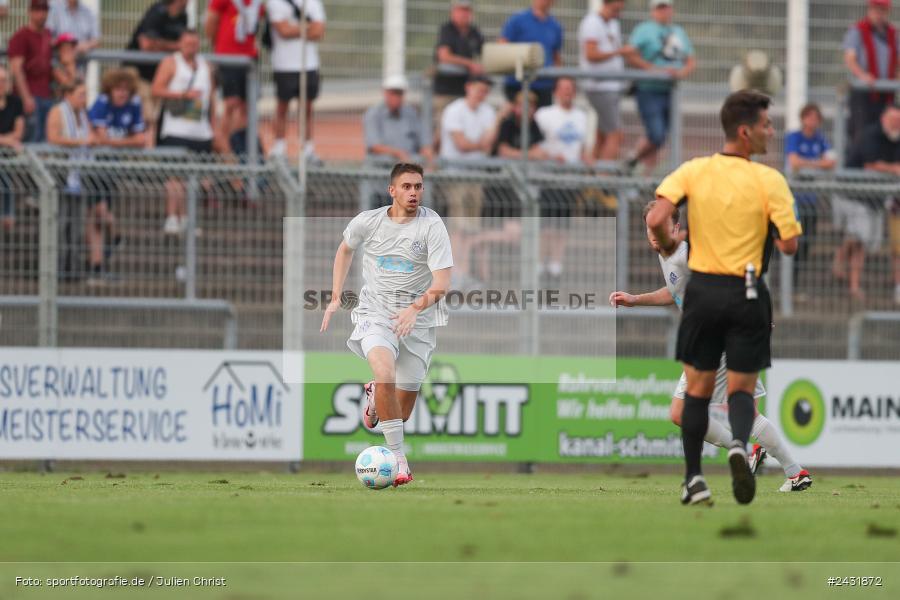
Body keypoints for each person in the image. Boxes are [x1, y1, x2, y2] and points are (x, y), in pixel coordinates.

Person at [645, 90, 802, 505]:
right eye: (768, 124)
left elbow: (659, 218)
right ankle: (739, 444)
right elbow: (789, 245)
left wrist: (664, 241)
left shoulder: (694, 171)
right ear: (746, 131)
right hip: (748, 291)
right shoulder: (770, 181)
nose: (772, 130)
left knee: (694, 394)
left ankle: (695, 479)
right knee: (740, 393)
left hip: (704, 293)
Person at [610, 201, 813, 494]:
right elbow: (674, 291)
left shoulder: (685, 253)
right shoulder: (669, 255)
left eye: (660, 227)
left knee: (682, 412)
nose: (654, 234)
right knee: (746, 410)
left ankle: (741, 453)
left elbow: (732, 269)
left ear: (676, 228)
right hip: (731, 331)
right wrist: (634, 299)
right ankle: (794, 472)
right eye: (649, 229)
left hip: (714, 335)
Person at [320, 162, 453, 488]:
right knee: (385, 374)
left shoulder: (432, 225)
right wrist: (336, 295)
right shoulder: (369, 221)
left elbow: (442, 283)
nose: (413, 193)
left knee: (401, 412)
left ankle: (374, 397)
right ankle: (399, 461)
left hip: (418, 321)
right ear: (392, 190)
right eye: (406, 187)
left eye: (418, 187)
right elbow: (344, 249)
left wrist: (413, 308)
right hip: (375, 313)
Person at [152, 29, 218, 235]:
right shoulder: (171, 63)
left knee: (193, 178)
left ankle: (188, 219)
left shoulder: (205, 65)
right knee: (174, 177)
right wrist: (182, 94)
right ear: (180, 43)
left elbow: (212, 99)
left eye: (195, 44)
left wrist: (214, 126)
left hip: (200, 131)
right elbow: (156, 89)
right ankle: (172, 217)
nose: (192, 47)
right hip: (176, 129)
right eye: (188, 43)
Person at [86, 68, 146, 276]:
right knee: (99, 212)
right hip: (93, 166)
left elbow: (141, 139)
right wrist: (125, 142)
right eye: (118, 89)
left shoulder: (135, 104)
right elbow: (102, 138)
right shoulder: (102, 103)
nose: (122, 94)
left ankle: (97, 264)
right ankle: (117, 235)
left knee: (97, 217)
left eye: (125, 90)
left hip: (112, 166)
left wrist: (116, 143)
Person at [440, 74, 497, 288]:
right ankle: (455, 274)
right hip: (457, 175)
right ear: (468, 88)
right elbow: (461, 144)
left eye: (485, 90)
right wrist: (479, 144)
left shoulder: (488, 111)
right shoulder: (454, 110)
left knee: (472, 227)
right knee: (458, 226)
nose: (482, 94)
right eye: (479, 89)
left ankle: (465, 272)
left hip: (476, 175)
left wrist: (479, 144)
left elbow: (489, 144)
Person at [626, 0, 695, 174]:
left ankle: (646, 177)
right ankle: (632, 160)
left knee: (661, 139)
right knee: (656, 134)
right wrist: (654, 69)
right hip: (649, 90)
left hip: (671, 91)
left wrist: (681, 73)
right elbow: (630, 54)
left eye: (667, 7)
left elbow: (690, 60)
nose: (664, 11)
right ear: (653, 10)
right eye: (660, 7)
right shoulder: (643, 30)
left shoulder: (678, 31)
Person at [842, 103, 900, 305]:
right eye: (894, 121)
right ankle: (854, 287)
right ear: (884, 119)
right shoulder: (870, 135)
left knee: (864, 240)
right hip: (855, 196)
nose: (897, 125)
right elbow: (870, 165)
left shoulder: (895, 138)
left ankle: (839, 259)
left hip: (875, 199)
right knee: (861, 241)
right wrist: (894, 169)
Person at [535, 77, 589, 284]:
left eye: (570, 89)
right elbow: (535, 145)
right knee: (546, 226)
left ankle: (556, 265)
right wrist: (550, 158)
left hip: (571, 180)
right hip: (549, 178)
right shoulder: (544, 114)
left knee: (562, 226)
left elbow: (582, 147)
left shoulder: (581, 116)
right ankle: (540, 265)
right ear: (555, 92)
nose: (567, 92)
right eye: (563, 89)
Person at [46, 80, 95, 282]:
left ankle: (72, 269)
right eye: (81, 94)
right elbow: (53, 138)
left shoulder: (83, 115)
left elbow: (92, 137)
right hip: (61, 174)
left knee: (75, 226)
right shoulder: (58, 111)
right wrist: (81, 142)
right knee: (60, 223)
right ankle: (55, 269)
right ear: (69, 95)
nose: (84, 98)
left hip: (78, 177)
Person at [784, 103, 835, 291]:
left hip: (810, 200)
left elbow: (831, 162)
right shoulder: (794, 137)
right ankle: (786, 285)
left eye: (816, 118)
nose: (812, 121)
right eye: (809, 116)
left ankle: (794, 286)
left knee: (806, 242)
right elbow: (794, 162)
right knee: (791, 240)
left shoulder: (820, 139)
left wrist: (807, 164)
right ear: (803, 118)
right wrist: (817, 163)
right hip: (793, 200)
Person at [267, 0, 327, 160]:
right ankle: (279, 146)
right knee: (282, 107)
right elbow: (282, 30)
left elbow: (319, 31)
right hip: (284, 65)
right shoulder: (276, 3)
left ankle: (307, 148)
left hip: (309, 64)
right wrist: (308, 27)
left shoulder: (313, 3)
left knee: (306, 108)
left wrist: (295, 29)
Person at [126, 0, 189, 145]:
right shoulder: (158, 11)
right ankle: (142, 159)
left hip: (159, 77)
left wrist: (163, 45)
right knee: (145, 118)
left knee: (156, 119)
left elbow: (183, 44)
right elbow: (146, 44)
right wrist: (176, 46)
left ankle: (151, 154)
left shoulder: (183, 16)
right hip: (140, 73)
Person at [205, 0, 264, 151]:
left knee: (247, 106)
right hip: (228, 56)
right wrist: (218, 46)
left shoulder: (257, 3)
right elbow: (211, 22)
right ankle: (223, 145)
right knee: (231, 103)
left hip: (249, 57)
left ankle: (238, 145)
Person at [578, 0, 630, 161]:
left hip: (612, 87)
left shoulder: (613, 23)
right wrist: (619, 52)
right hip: (599, 87)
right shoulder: (592, 23)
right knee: (616, 134)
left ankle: (591, 179)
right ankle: (604, 178)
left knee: (602, 135)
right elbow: (591, 54)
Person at [843, 0, 899, 147]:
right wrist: (864, 76)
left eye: (882, 10)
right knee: (861, 133)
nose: (879, 14)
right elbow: (850, 59)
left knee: (887, 133)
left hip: (886, 94)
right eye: (876, 9)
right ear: (870, 9)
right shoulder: (857, 30)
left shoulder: (893, 34)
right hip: (864, 93)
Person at [433, 0, 485, 142]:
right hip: (446, 92)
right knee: (441, 133)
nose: (464, 14)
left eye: (466, 10)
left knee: (465, 133)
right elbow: (444, 56)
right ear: (453, 11)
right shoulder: (447, 29)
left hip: (465, 94)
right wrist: (469, 64)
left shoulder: (474, 32)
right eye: (460, 10)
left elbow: (484, 53)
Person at [499, 0, 563, 109]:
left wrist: (558, 80)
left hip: (544, 85)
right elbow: (502, 46)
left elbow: (555, 55)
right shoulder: (517, 20)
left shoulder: (555, 26)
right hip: (518, 84)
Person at [8, 0, 55, 143]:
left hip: (46, 95)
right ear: (30, 12)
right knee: (31, 139)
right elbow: (16, 69)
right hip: (31, 96)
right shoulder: (21, 35)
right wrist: (26, 97)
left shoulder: (48, 34)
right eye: (37, 10)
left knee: (45, 140)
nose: (41, 14)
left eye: (44, 10)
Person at [364, 75, 432, 164]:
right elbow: (375, 146)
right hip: (382, 167)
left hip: (409, 167)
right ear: (385, 93)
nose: (396, 97)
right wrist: (399, 154)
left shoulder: (411, 113)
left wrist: (430, 162)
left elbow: (425, 143)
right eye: (393, 93)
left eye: (399, 93)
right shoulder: (374, 114)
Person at [0, 65, 26, 232]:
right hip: (8, 150)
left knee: (5, 175)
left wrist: (6, 141)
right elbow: (13, 138)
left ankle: (8, 215)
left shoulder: (15, 102)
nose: (2, 84)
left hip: (7, 157)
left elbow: (18, 133)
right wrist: (6, 140)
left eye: (4, 80)